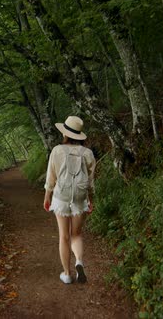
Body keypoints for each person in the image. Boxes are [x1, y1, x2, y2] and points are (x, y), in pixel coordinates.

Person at [43, 116, 96, 284]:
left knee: (64, 236)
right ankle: (79, 260)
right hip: (80, 195)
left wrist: (47, 196)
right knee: (76, 234)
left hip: (62, 195)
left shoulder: (57, 150)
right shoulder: (87, 153)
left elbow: (51, 177)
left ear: (65, 133)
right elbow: (91, 180)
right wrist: (90, 199)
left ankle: (66, 274)